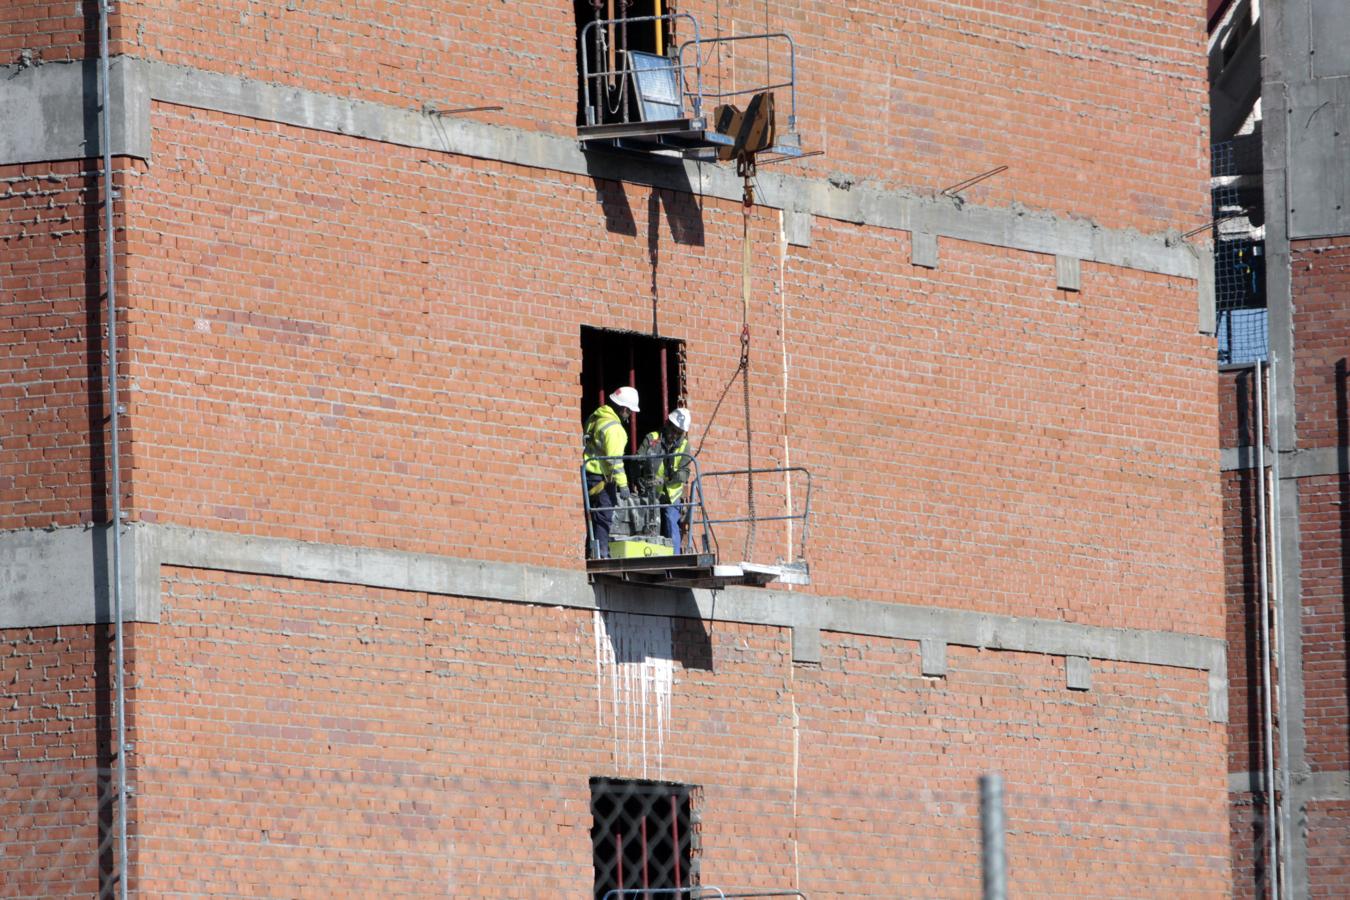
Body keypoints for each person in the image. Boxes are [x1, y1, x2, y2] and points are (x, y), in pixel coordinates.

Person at [583, 386, 639, 558]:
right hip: (602, 478)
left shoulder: (596, 417)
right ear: (623, 409)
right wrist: (623, 485)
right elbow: (615, 462)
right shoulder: (615, 429)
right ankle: (601, 554)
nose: (629, 416)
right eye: (629, 412)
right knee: (604, 517)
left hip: (589, 474)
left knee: (592, 516)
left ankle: (594, 550)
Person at [637, 407, 693, 553]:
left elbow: (684, 473)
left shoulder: (685, 446)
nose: (674, 435)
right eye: (673, 430)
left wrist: (667, 479)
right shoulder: (652, 439)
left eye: (678, 433)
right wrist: (638, 480)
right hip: (650, 494)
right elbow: (637, 462)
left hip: (670, 496)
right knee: (647, 524)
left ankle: (674, 557)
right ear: (667, 424)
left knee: (670, 521)